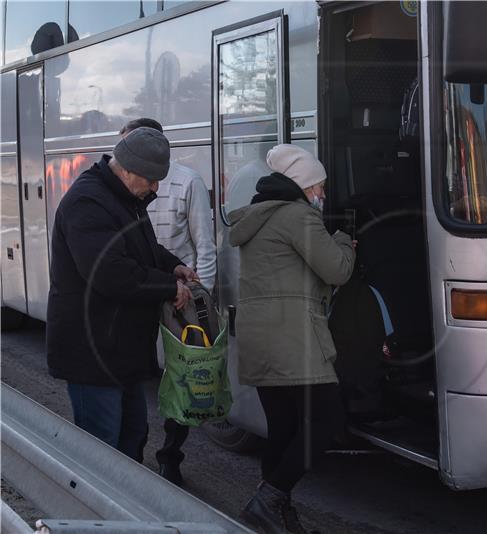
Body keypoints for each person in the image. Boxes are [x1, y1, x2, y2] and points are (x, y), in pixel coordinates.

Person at [47, 127, 197, 462]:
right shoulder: (88, 201)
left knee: (132, 437)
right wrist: (168, 287)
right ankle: (101, 513)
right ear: (127, 169)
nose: (156, 187)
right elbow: (110, 272)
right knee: (103, 449)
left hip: (119, 349)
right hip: (93, 352)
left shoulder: (125, 196)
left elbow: (140, 248)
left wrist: (173, 266)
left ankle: (127, 512)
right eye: (151, 179)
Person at [229, 144, 356, 534]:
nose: (320, 195)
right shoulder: (299, 217)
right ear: (301, 185)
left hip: (260, 337)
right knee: (326, 420)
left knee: (283, 429)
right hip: (293, 339)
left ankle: (277, 517)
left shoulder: (257, 215)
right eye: (317, 187)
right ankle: (268, 499)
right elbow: (336, 271)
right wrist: (346, 242)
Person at [118, 118, 217, 485]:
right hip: (138, 292)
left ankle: (170, 455)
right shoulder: (121, 188)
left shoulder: (187, 181)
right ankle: (136, 450)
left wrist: (202, 299)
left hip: (178, 298)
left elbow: (204, 246)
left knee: (180, 376)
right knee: (142, 374)